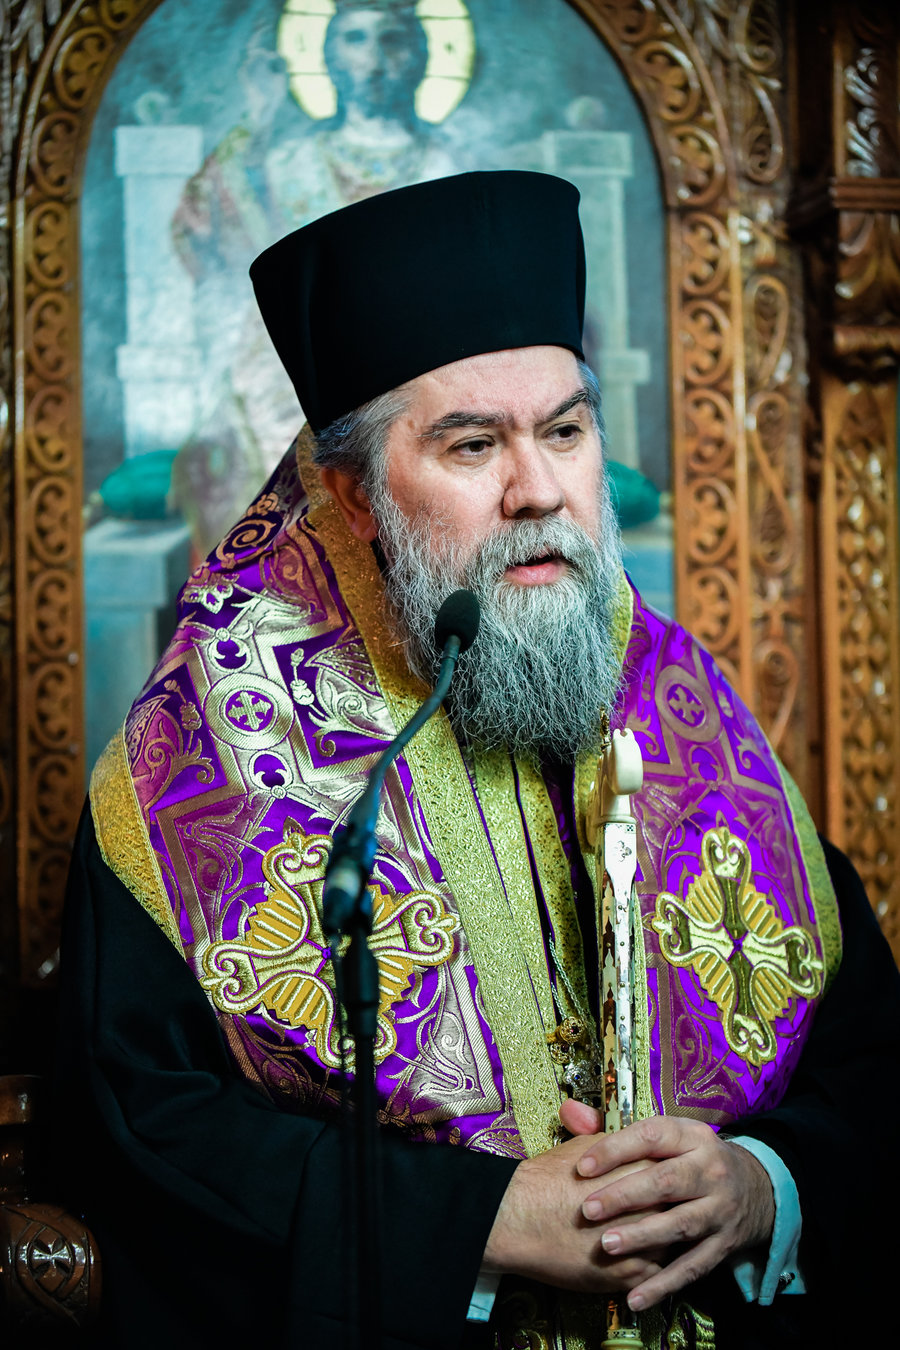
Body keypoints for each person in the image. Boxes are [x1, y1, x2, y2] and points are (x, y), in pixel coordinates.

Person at [55, 171, 900, 1350]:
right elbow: (141, 1134)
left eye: (565, 430)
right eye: (471, 444)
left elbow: (871, 1063)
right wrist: (476, 1222)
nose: (539, 491)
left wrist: (763, 1183)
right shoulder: (195, 765)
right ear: (353, 496)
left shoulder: (689, 715)